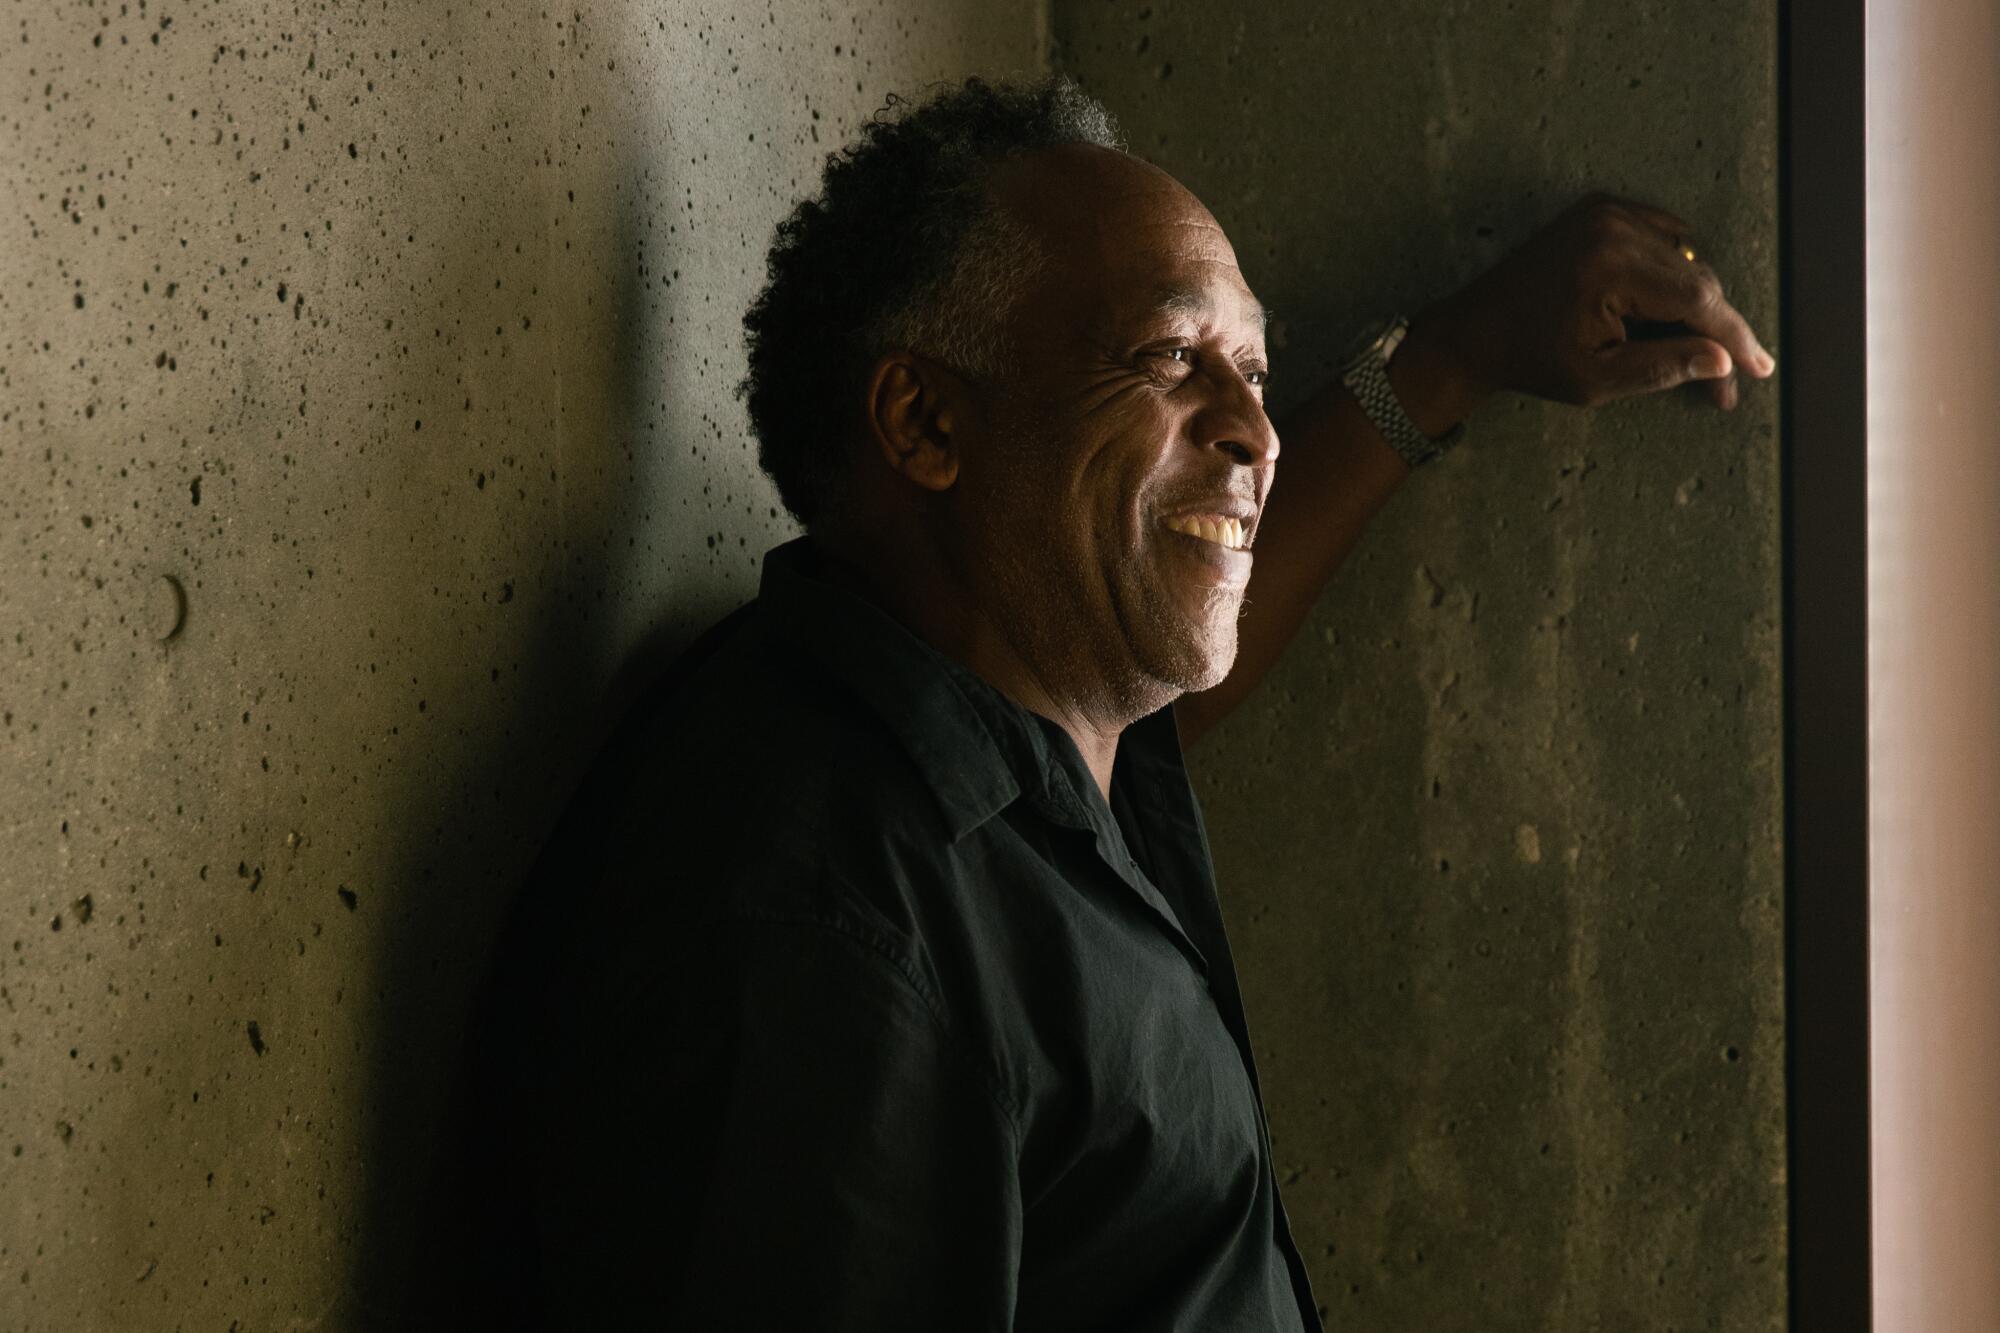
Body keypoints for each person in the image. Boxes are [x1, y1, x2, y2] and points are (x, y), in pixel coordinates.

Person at [457, 75, 1773, 1331]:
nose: (1253, 430)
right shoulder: (823, 932)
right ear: (924, 422)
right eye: (1169, 353)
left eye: (1253, 372)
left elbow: (1177, 639)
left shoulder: (1018, 742)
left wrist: (1453, 356)